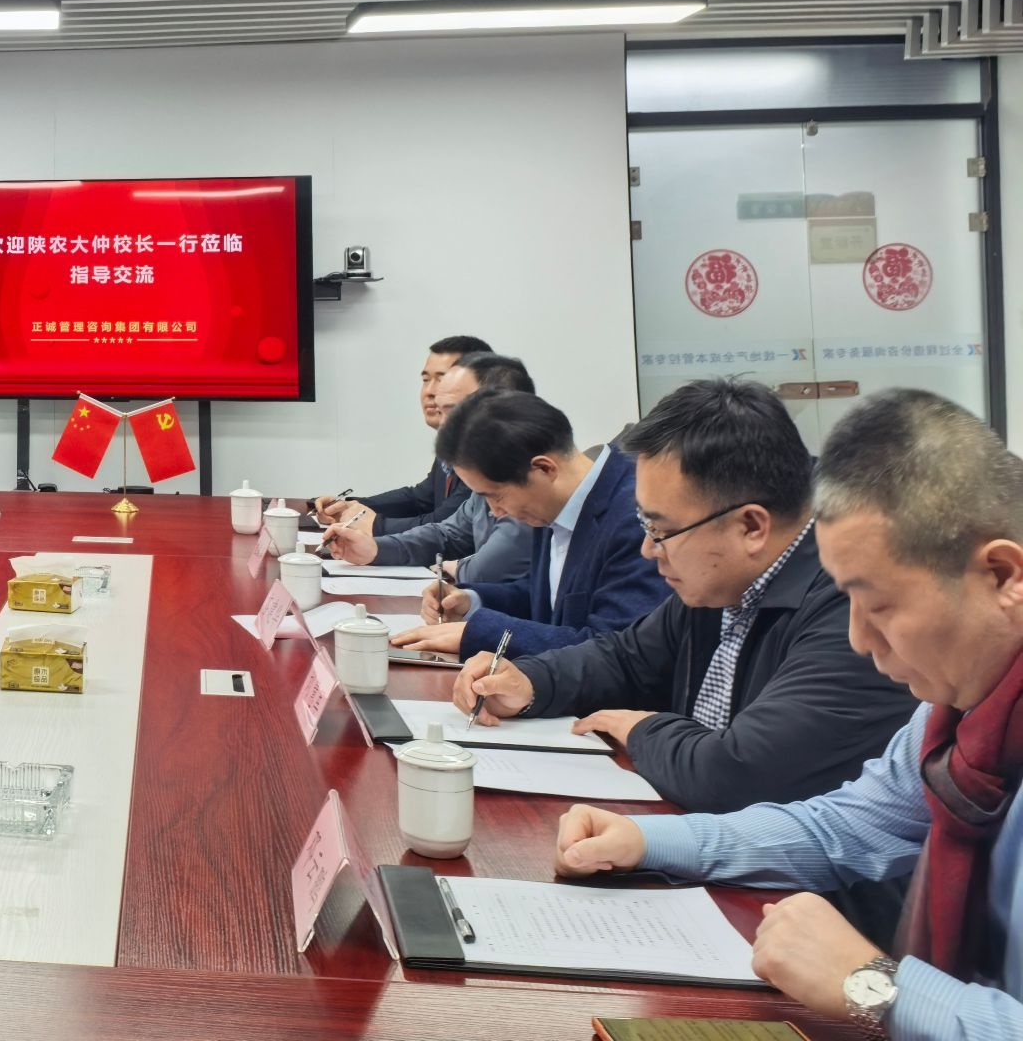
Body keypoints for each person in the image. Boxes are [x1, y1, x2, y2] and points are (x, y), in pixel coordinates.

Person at [554, 390, 1023, 1041]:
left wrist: (872, 985)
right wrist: (648, 840)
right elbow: (846, 827)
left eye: (879, 606)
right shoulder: (954, 716)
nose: (859, 639)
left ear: (1002, 575)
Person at [454, 379, 916, 814]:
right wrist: (529, 682)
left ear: (751, 526)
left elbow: (739, 772)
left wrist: (642, 729)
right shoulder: (721, 580)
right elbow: (626, 657)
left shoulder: (855, 607)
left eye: (661, 530)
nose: (647, 549)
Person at [391, 389, 668, 661]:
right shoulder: (553, 502)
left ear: (544, 469)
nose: (496, 513)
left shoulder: (637, 515)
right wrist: (471, 601)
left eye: (496, 497)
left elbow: (613, 650)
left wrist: (481, 634)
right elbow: (547, 598)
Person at [323, 351, 535, 584]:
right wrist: (376, 549)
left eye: (453, 412)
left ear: (500, 409)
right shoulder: (486, 471)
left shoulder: (528, 477)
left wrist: (456, 567)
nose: (443, 425)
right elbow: (449, 534)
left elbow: (487, 570)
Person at [313, 334, 490, 533]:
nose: (429, 391)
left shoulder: (488, 450)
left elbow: (444, 525)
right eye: (426, 380)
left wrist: (375, 525)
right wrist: (352, 507)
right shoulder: (453, 441)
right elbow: (420, 499)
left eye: (442, 380)